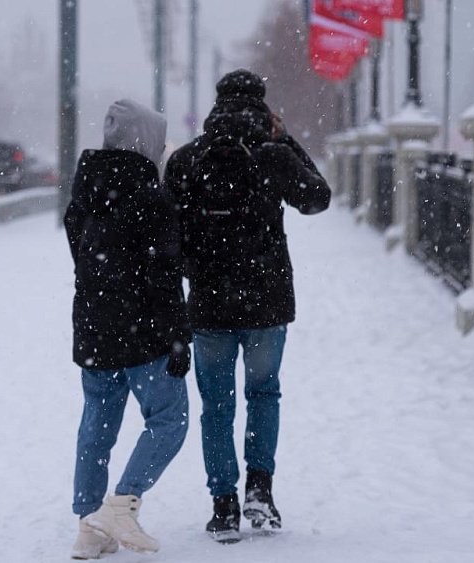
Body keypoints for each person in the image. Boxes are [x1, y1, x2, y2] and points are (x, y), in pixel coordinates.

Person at [164, 69, 331, 543]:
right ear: (262, 107)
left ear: (217, 105)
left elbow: (170, 235)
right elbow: (317, 198)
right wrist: (286, 140)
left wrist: (192, 276)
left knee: (216, 406)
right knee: (263, 394)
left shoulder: (189, 159)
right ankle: (260, 490)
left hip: (209, 304)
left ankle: (223, 506)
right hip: (266, 300)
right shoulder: (271, 153)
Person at [64, 99, 191, 558]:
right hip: (144, 331)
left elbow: (82, 254)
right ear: (145, 141)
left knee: (97, 424)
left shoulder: (85, 191)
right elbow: (164, 276)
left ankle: (89, 525)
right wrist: (179, 337)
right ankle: (123, 504)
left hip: (95, 326)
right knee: (170, 420)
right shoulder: (152, 198)